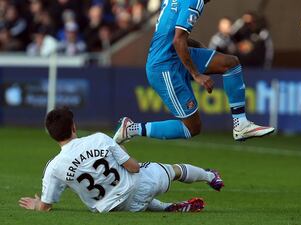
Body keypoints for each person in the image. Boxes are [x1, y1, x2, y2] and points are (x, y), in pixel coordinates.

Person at [115, 0, 275, 144]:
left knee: (230, 63)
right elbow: (178, 40)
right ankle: (130, 129)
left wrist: (199, 46)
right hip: (164, 66)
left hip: (175, 53)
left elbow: (171, 34)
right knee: (192, 128)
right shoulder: (195, 1)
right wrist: (196, 74)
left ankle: (240, 123)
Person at [18, 107, 224, 213]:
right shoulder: (99, 138)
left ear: (51, 135)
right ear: (74, 127)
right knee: (173, 170)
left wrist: (36, 205)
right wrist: (120, 148)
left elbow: (45, 206)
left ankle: (167, 208)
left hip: (112, 208)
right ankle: (210, 176)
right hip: (139, 186)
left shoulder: (54, 167)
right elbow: (133, 168)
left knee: (133, 199)